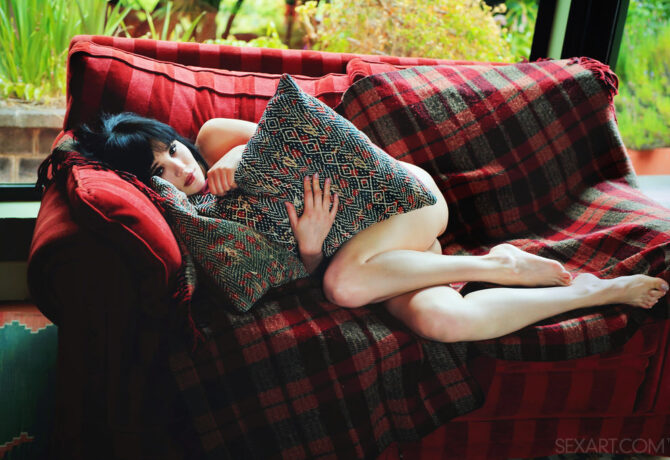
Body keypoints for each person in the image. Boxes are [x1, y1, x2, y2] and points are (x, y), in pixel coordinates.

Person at [75, 112, 669, 343]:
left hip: (402, 200)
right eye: (160, 171)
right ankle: (592, 292)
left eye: (170, 149)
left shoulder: (209, 141)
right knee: (444, 321)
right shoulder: (200, 225)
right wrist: (310, 248)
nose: (180, 166)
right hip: (381, 254)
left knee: (343, 286)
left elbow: (289, 132)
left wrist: (236, 153)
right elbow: (293, 271)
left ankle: (498, 264)